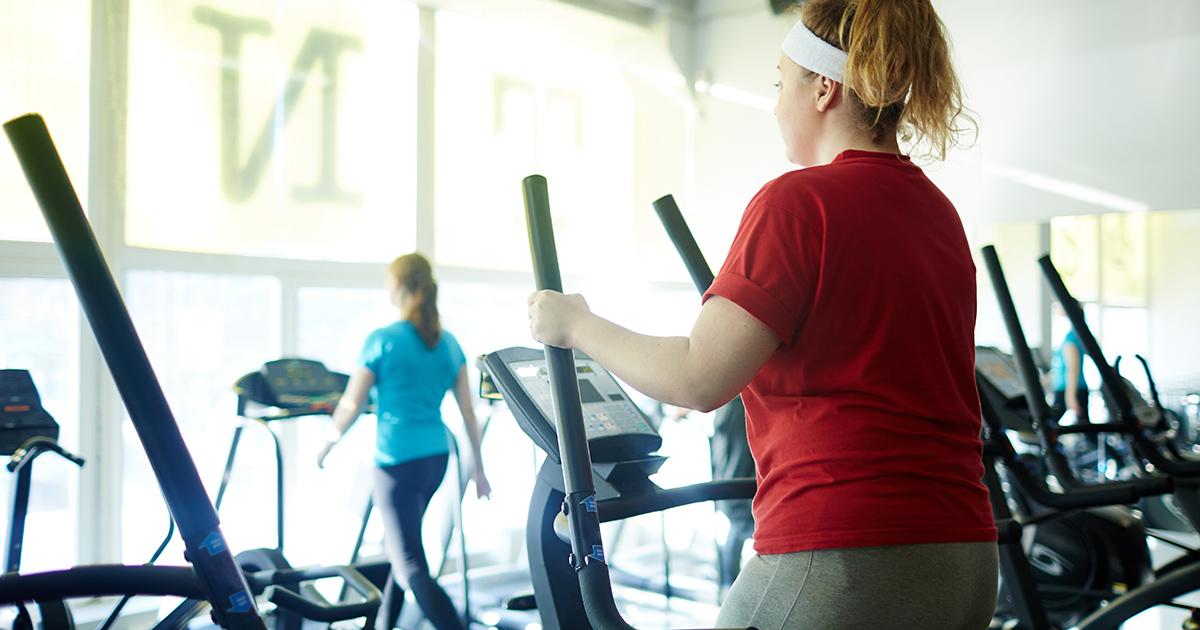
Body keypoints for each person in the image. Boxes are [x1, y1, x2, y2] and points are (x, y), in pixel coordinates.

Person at [527, 0, 998, 627]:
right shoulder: (937, 213)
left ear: (824, 89)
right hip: (964, 555)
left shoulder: (798, 203)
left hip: (846, 553)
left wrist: (575, 324)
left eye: (781, 84)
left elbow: (698, 377)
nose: (776, 106)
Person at [318, 253, 491, 630]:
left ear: (396, 285)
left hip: (396, 464)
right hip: (435, 460)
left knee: (409, 563)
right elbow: (468, 411)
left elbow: (351, 404)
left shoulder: (382, 341)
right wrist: (479, 469)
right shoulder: (448, 343)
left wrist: (327, 443)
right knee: (399, 549)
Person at [1049, 301, 1090, 423]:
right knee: (1084, 426)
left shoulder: (1071, 338)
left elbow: (1073, 367)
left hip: (1070, 388)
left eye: (1058, 305)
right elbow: (1061, 368)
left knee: (1049, 424)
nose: (1054, 308)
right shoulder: (1076, 335)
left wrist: (1070, 395)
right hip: (1072, 387)